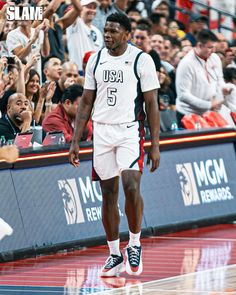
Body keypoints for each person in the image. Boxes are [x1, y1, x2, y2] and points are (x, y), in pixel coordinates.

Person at [69, 12, 160, 277]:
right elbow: (85, 101)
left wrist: (155, 144)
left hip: (130, 131)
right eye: (105, 30)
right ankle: (113, 253)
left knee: (131, 186)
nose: (107, 35)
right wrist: (75, 140)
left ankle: (134, 243)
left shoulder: (141, 60)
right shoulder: (95, 59)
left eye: (113, 31)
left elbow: (152, 103)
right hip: (102, 133)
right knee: (108, 194)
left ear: (127, 34)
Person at [176, 29, 228, 127]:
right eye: (210, 47)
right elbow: (183, 95)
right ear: (199, 45)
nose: (213, 51)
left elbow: (219, 79)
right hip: (188, 114)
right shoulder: (186, 64)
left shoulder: (215, 58)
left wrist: (223, 88)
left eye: (214, 47)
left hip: (209, 112)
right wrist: (208, 105)